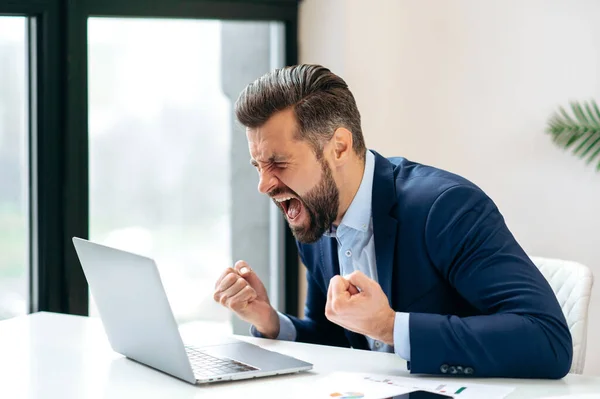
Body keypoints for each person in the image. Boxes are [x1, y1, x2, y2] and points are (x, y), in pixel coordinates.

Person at [212, 64, 572, 379]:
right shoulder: (314, 214)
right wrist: (270, 322)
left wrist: (389, 326)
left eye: (279, 163)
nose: (264, 185)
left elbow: (548, 340)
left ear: (338, 146)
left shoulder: (445, 207)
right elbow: (336, 334)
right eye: (258, 166)